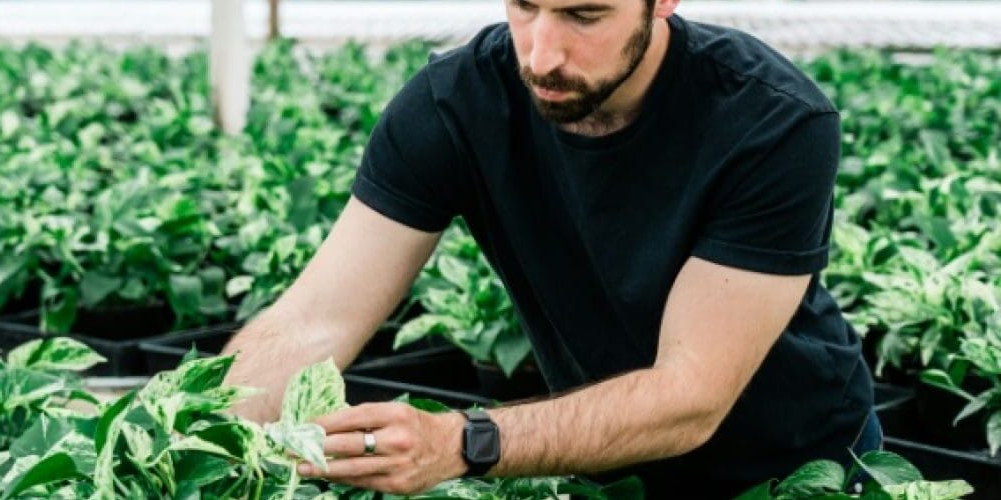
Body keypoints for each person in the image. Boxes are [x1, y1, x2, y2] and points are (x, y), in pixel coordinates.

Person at [219, 0, 880, 497]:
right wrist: (182, 430)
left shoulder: (771, 119)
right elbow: (312, 322)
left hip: (795, 467)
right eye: (524, 6)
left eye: (583, 14)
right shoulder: (454, 105)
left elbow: (690, 394)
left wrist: (463, 440)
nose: (540, 54)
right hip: (600, 466)